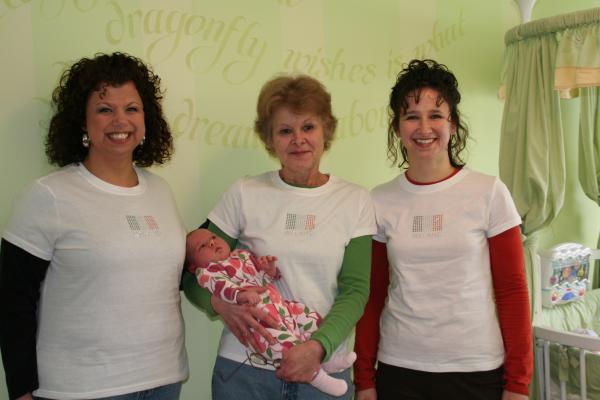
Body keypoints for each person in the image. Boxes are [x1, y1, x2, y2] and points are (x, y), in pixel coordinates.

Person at [0, 52, 187, 400]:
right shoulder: (48, 195)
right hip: (82, 389)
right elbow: (12, 302)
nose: (120, 120)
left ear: (147, 119)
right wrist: (21, 391)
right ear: (82, 122)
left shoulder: (160, 191)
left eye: (132, 108)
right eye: (105, 109)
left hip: (163, 380)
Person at [182, 74, 376, 399]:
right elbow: (192, 273)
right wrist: (219, 305)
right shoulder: (245, 193)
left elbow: (355, 291)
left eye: (308, 127)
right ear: (269, 139)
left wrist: (317, 347)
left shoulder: (355, 200)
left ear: (326, 130)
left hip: (323, 368)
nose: (298, 139)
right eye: (285, 130)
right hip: (245, 373)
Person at [353, 59, 533, 400]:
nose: (424, 127)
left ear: (452, 123)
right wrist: (364, 378)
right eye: (411, 116)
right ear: (397, 127)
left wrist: (518, 384)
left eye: (435, 115)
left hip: (476, 370)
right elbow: (373, 295)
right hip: (399, 368)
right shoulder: (379, 200)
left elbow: (512, 291)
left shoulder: (489, 192)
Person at [186, 228, 358, 397]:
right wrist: (241, 295)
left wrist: (269, 270)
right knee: (282, 344)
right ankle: (317, 377)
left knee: (308, 317)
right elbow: (222, 289)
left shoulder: (241, 256)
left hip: (281, 306)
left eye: (213, 237)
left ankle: (327, 360)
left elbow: (262, 278)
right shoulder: (207, 273)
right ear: (193, 267)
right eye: (202, 247)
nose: (211, 243)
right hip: (261, 323)